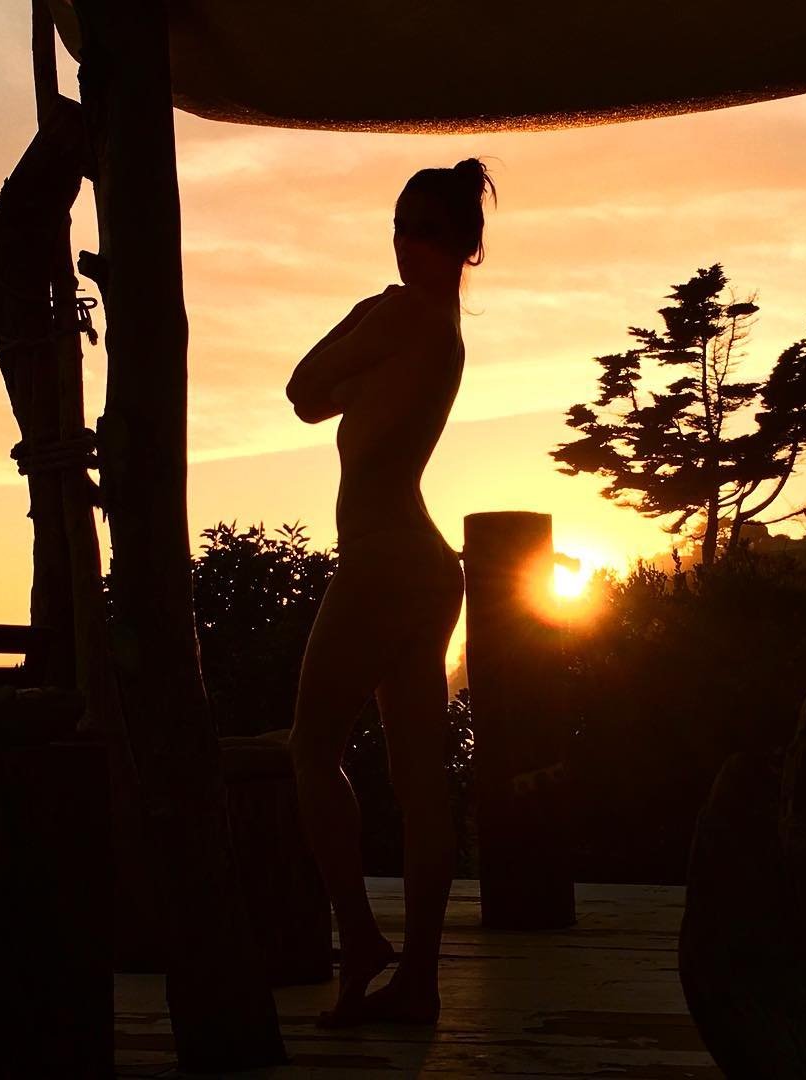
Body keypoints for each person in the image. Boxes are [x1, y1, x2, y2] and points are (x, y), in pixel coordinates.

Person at [284, 157, 496, 1026]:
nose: (408, 244)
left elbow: (303, 390)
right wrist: (359, 364)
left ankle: (363, 936)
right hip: (427, 569)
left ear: (463, 244)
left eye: (425, 230)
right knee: (418, 786)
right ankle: (420, 980)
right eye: (401, 227)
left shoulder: (398, 313)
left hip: (381, 560)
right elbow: (315, 401)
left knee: (310, 751)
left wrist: (359, 319)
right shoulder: (441, 331)